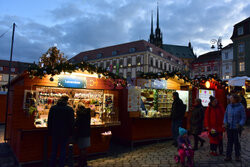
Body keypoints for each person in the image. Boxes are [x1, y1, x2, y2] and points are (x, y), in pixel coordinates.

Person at [48, 95, 75, 167]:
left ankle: (52, 164)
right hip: (65, 133)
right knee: (63, 150)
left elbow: (49, 121)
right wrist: (71, 133)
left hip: (55, 132)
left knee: (54, 150)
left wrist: (50, 131)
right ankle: (61, 165)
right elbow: (71, 123)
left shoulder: (53, 108)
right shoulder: (69, 109)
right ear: (67, 101)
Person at [224, 94, 246, 162]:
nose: (230, 99)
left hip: (236, 128)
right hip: (229, 127)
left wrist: (240, 124)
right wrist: (225, 122)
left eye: (231, 98)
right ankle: (228, 156)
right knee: (229, 142)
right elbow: (226, 116)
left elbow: (243, 117)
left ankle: (237, 156)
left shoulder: (241, 107)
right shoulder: (228, 106)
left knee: (237, 142)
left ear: (235, 99)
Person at [75, 102, 91, 167]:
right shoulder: (87, 113)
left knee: (81, 149)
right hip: (87, 132)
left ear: (78, 108)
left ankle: (81, 163)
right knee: (84, 149)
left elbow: (76, 123)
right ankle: (84, 163)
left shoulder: (80, 114)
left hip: (81, 133)